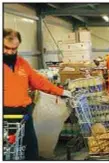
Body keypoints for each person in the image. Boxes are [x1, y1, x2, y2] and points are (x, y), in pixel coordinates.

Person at [3, 28, 72, 160]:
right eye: (6, 48)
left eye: (14, 49)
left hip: (24, 115)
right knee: (7, 152)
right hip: (4, 115)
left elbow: (39, 81)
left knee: (30, 149)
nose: (10, 52)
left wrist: (61, 92)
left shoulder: (22, 63)